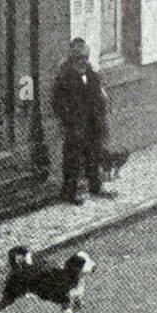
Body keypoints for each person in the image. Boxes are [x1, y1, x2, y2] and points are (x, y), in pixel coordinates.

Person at [52, 38, 108, 204]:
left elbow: (98, 96)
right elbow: (58, 103)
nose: (83, 61)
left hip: (92, 124)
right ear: (72, 59)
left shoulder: (91, 74)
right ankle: (69, 193)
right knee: (72, 160)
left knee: (93, 155)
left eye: (85, 57)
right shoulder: (64, 78)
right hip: (75, 127)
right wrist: (70, 121)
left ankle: (95, 186)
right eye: (79, 58)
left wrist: (99, 117)